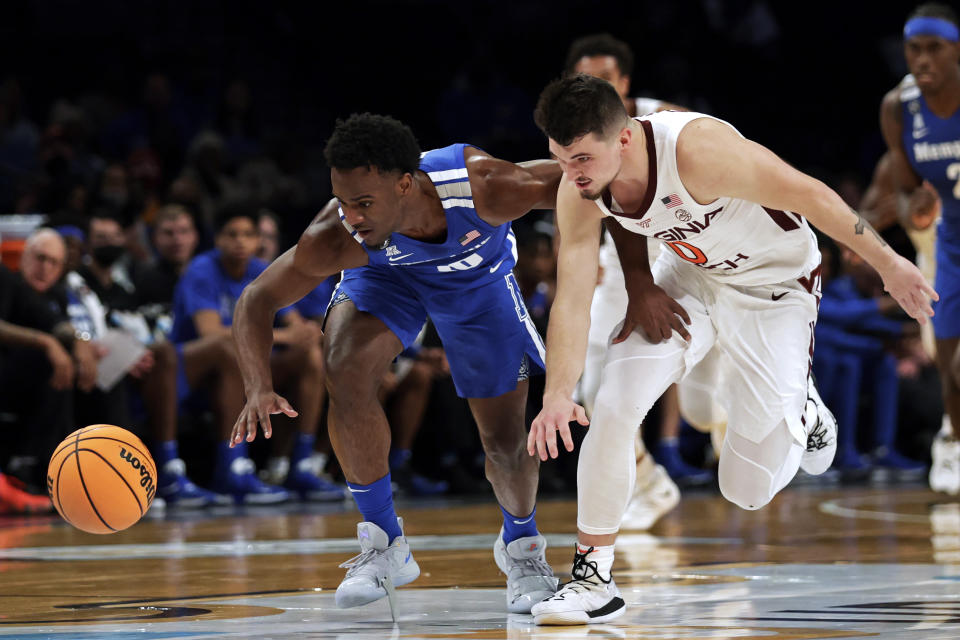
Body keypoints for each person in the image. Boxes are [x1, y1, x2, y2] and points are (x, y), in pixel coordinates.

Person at [527, 74, 936, 625]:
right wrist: (557, 394)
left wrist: (890, 264)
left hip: (774, 286)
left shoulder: (697, 151)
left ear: (623, 139)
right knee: (614, 405)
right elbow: (572, 301)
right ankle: (592, 577)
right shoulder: (578, 189)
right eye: (560, 158)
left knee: (744, 491)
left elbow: (811, 194)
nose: (571, 174)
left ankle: (803, 407)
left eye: (580, 158)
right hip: (691, 276)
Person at [230, 113, 561, 613]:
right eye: (343, 201)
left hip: (478, 282)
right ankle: (385, 544)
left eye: (364, 202)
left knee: (504, 438)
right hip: (389, 276)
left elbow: (592, 184)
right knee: (343, 365)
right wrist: (257, 387)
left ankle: (522, 549)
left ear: (406, 184)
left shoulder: (487, 185)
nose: (352, 215)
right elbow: (256, 299)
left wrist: (639, 278)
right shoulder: (339, 235)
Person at [565, 33, 707, 533]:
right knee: (593, 385)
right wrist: (585, 259)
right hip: (621, 257)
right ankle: (650, 483)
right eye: (586, 80)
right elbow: (579, 203)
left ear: (624, 84)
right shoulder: (573, 135)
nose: (596, 88)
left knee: (699, 390)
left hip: (677, 247)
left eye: (606, 79)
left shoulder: (665, 120)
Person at [171, 203, 336, 503]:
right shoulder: (202, 270)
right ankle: (232, 466)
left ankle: (301, 462)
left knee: (310, 354)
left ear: (258, 240)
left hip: (241, 370)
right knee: (229, 350)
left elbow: (296, 326)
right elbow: (210, 332)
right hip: (195, 375)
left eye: (248, 234)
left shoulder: (262, 270)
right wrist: (286, 335)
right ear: (217, 239)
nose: (240, 241)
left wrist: (305, 334)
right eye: (232, 234)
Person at [878, 3, 960, 494]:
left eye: (935, 49)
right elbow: (907, 194)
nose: (923, 59)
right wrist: (917, 212)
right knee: (947, 359)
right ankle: (952, 445)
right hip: (951, 236)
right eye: (915, 49)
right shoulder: (898, 107)